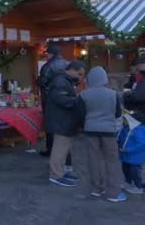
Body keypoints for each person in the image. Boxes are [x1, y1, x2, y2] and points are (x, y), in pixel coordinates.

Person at [78, 66, 125, 202]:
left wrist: (86, 124)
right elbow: (118, 113)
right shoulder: (112, 94)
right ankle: (113, 193)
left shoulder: (83, 94)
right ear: (104, 78)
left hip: (90, 129)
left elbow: (80, 114)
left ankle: (97, 188)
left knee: (93, 159)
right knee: (112, 161)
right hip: (109, 131)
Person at [46, 60, 85, 188]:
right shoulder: (60, 81)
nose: (80, 77)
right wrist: (78, 100)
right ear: (72, 69)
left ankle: (60, 171)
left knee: (64, 149)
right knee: (60, 149)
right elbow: (62, 100)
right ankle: (56, 175)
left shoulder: (64, 80)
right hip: (61, 120)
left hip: (64, 120)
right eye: (79, 74)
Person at [38, 44, 69, 157]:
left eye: (47, 53)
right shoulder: (67, 64)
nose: (46, 56)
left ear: (51, 54)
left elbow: (43, 82)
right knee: (63, 123)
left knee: (50, 124)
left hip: (50, 99)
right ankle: (63, 149)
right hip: (65, 98)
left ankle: (51, 149)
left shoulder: (47, 66)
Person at [117, 117, 145, 195]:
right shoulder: (125, 128)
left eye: (125, 120)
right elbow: (120, 138)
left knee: (134, 172)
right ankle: (128, 182)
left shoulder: (139, 129)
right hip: (126, 155)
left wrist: (127, 149)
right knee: (125, 169)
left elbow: (142, 144)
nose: (123, 121)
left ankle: (138, 187)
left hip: (136, 156)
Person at [123, 54, 145, 124]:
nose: (135, 72)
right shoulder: (138, 77)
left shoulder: (141, 78)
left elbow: (138, 95)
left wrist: (125, 95)